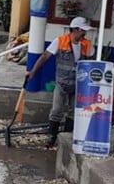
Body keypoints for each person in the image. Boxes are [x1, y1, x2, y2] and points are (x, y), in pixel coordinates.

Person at [26, 16, 92, 147]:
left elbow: (91, 62)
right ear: (76, 30)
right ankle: (52, 137)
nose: (85, 33)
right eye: (83, 31)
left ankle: (66, 138)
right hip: (61, 83)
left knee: (73, 111)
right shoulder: (60, 41)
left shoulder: (86, 44)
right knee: (56, 110)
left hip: (78, 85)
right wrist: (33, 71)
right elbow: (45, 56)